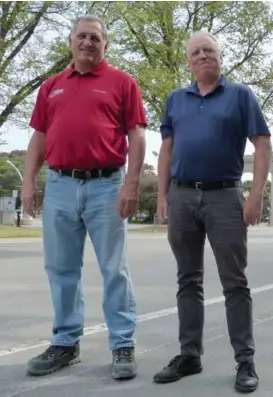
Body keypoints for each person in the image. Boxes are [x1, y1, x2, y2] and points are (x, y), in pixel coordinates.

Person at [21, 15, 147, 380]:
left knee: (114, 268)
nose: (88, 42)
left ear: (105, 45)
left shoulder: (122, 83)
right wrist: (29, 180)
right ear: (70, 41)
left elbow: (137, 137)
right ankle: (65, 342)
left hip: (106, 184)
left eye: (96, 38)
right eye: (82, 36)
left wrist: (132, 185)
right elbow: (39, 138)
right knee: (61, 269)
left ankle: (122, 343)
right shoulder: (51, 87)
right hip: (60, 184)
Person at [153, 31, 271, 393]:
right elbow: (167, 152)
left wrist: (254, 195)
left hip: (224, 197)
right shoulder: (176, 99)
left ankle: (244, 361)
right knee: (188, 279)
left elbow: (263, 144)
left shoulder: (240, 96)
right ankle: (190, 355)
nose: (203, 56)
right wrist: (163, 195)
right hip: (183, 197)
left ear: (220, 58)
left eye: (210, 51)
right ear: (189, 61)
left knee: (235, 282)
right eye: (196, 52)